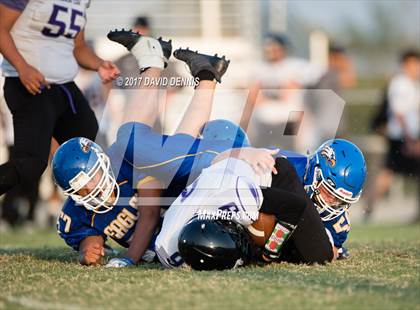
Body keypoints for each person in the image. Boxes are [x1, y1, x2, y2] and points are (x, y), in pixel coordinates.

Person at [53, 30, 239, 266]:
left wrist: (130, 259)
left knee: (132, 143)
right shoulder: (75, 213)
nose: (90, 190)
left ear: (101, 162)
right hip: (183, 234)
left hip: (188, 199)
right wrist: (87, 251)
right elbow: (90, 241)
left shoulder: (124, 163)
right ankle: (204, 74)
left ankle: (161, 62)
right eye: (80, 189)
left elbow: (149, 215)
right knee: (164, 150)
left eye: (91, 178)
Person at [155, 138, 366, 269]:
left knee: (320, 254)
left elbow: (327, 250)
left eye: (341, 200)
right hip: (257, 198)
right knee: (319, 254)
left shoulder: (339, 221)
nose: (334, 203)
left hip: (256, 200)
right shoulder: (285, 165)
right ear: (315, 173)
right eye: (329, 194)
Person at [0, 0, 120, 196]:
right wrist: (22, 67)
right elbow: (1, 29)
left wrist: (99, 64)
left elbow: (78, 47)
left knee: (93, 155)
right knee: (30, 164)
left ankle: (93, 221)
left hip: (64, 87)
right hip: (31, 85)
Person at [366, 49, 419, 221]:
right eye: (414, 63)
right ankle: (369, 208)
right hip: (403, 136)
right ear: (406, 64)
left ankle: (369, 208)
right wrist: (410, 139)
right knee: (388, 173)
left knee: (389, 172)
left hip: (407, 135)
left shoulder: (411, 84)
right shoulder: (400, 83)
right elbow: (400, 113)